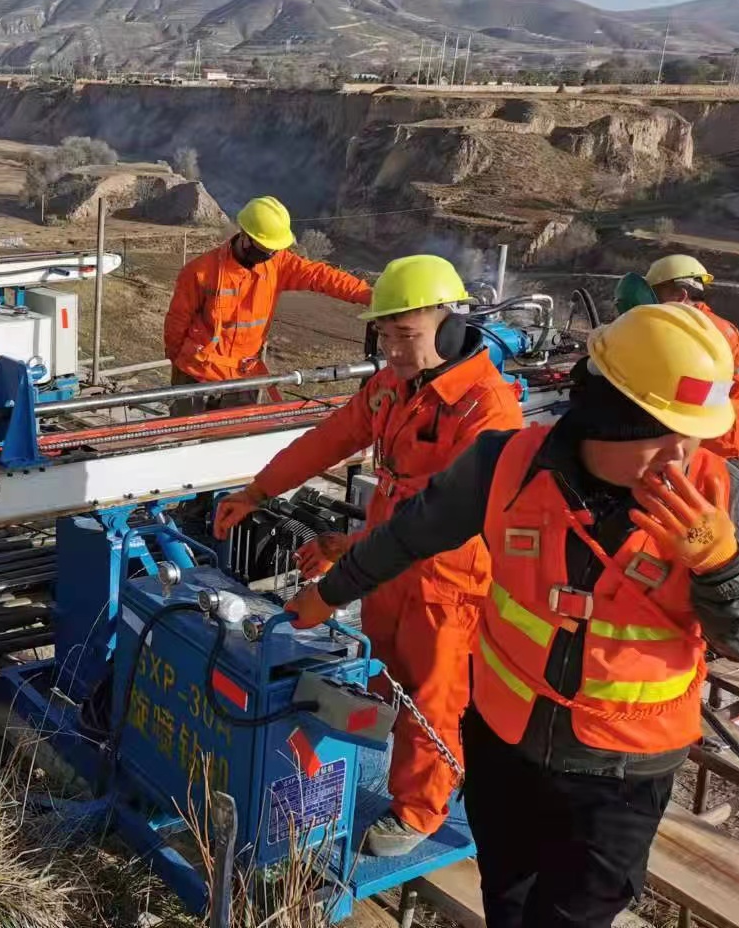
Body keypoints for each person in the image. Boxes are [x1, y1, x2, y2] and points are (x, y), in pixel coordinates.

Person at [284, 303, 739, 928]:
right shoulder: (504, 467)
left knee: (571, 915)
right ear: (606, 417)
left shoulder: (732, 504)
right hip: (505, 749)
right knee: (506, 900)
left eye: (693, 435)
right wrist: (329, 594)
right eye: (662, 433)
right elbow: (407, 536)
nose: (681, 459)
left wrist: (721, 566)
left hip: (622, 777)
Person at [213, 254, 523, 856]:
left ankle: (419, 811)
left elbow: (442, 523)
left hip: (445, 582)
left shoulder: (488, 411)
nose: (392, 353)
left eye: (405, 337)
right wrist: (257, 492)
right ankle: (381, 765)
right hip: (383, 567)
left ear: (450, 326)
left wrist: (349, 561)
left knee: (433, 697)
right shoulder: (393, 387)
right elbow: (330, 439)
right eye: (384, 337)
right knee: (384, 674)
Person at [164, 196, 371, 415]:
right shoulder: (200, 272)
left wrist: (369, 295)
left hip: (243, 379)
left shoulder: (278, 264)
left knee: (234, 444)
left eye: (275, 250)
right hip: (195, 375)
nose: (271, 255)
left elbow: (322, 277)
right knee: (184, 441)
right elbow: (177, 323)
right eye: (266, 249)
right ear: (245, 236)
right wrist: (179, 365)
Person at [644, 254, 739, 459]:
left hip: (721, 443)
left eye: (657, 295)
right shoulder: (709, 324)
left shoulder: (702, 329)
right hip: (717, 435)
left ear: (680, 295)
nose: (652, 302)